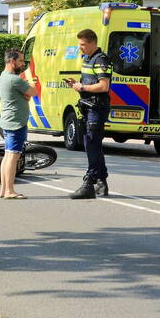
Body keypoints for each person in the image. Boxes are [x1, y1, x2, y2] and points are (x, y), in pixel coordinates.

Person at [66, 29, 112, 200]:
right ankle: (101, 181)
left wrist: (83, 87)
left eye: (83, 45)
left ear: (93, 43)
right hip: (88, 107)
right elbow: (88, 82)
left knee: (91, 143)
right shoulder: (87, 59)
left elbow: (104, 86)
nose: (80, 48)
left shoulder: (101, 60)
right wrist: (77, 85)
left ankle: (90, 181)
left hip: (97, 107)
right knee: (92, 144)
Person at [0, 48, 39, 199]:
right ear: (12, 61)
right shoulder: (15, 80)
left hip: (8, 120)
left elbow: (26, 95)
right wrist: (31, 86)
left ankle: (3, 189)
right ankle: (9, 191)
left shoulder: (3, 77)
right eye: (20, 60)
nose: (23, 64)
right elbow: (33, 92)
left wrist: (26, 93)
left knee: (8, 155)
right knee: (14, 156)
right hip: (16, 123)